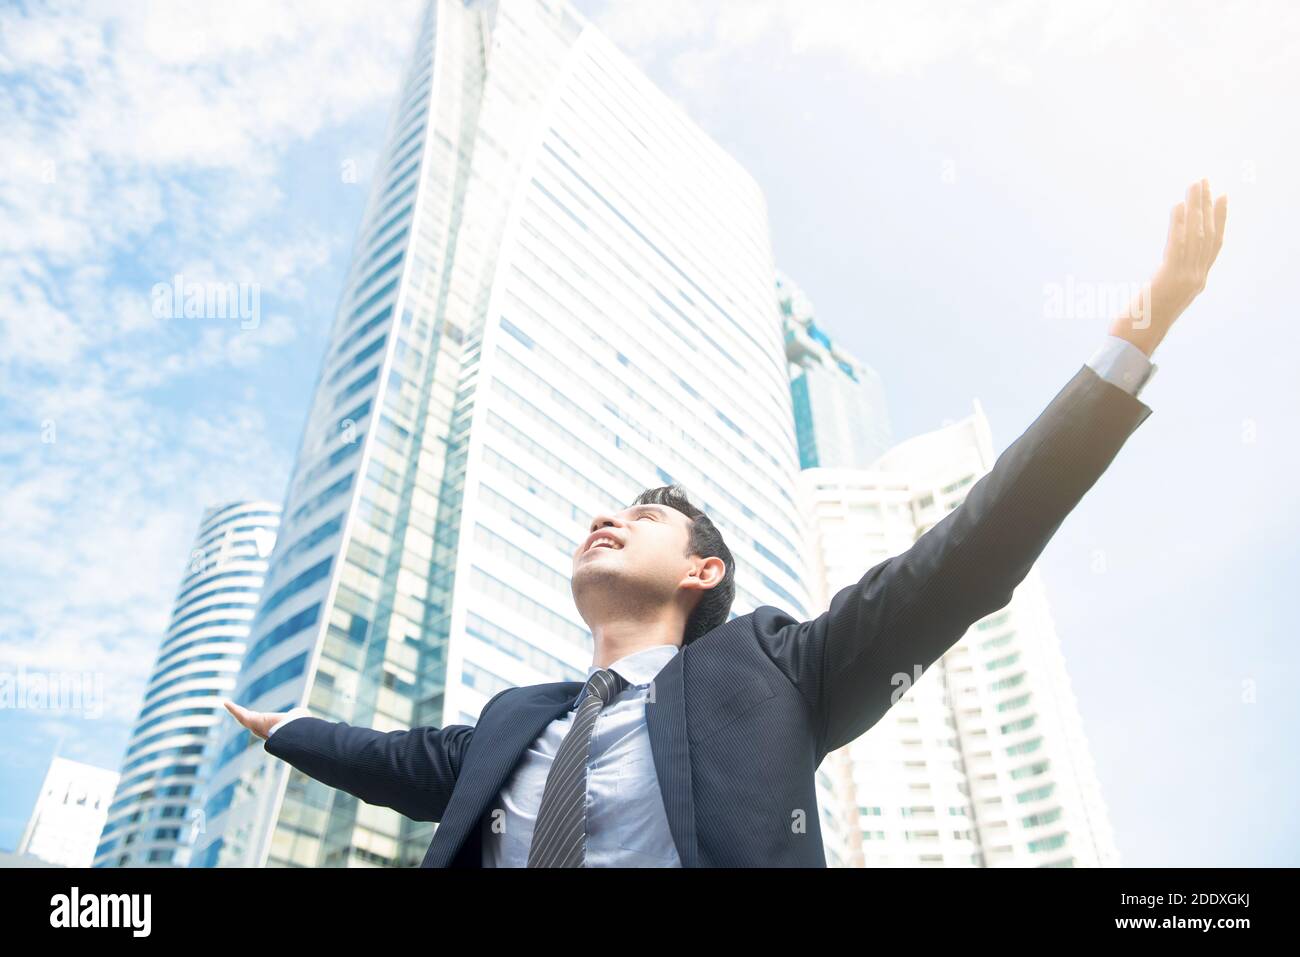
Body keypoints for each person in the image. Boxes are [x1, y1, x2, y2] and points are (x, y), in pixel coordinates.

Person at [227, 179, 1228, 867]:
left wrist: (1136, 338)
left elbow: (964, 557)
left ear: (701, 574)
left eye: (644, 515)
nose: (603, 519)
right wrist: (287, 730)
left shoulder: (775, 667)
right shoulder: (514, 722)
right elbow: (396, 765)